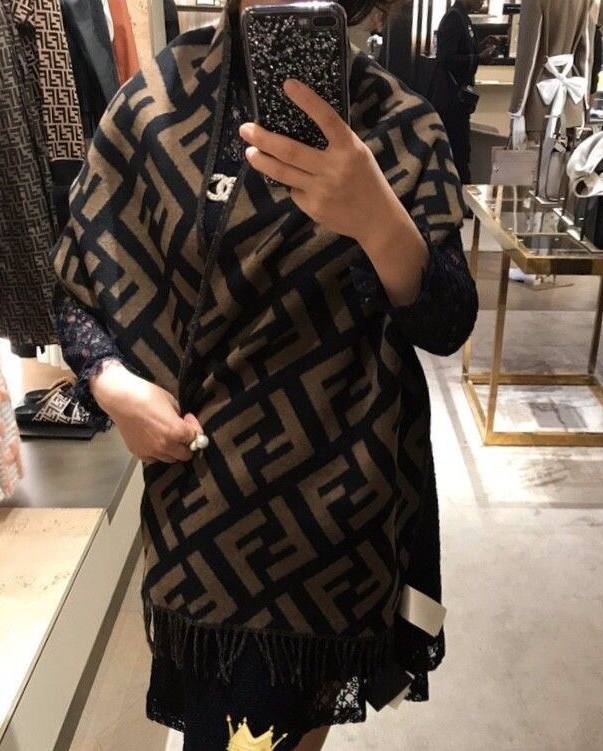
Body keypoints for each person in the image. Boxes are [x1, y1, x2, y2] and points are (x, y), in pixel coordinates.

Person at [50, 0, 478, 748]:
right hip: (203, 514)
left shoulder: (402, 123)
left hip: (342, 516)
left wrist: (377, 217)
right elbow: (80, 282)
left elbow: (446, 324)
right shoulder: (155, 103)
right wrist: (114, 387)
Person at [428, 0, 498, 184]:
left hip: (456, 101)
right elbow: (445, 58)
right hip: (450, 102)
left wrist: (479, 48)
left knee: (460, 153)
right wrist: (477, 58)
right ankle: (459, 194)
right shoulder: (454, 18)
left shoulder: (463, 18)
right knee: (457, 154)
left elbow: (459, 51)